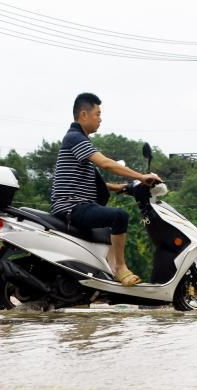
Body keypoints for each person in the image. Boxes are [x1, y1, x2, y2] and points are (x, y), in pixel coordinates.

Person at [51, 93, 161, 286]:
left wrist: (122, 187)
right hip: (72, 207)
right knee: (120, 216)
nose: (100, 119)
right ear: (83, 115)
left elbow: (93, 181)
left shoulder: (77, 140)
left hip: (77, 205)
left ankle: (105, 274)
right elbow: (105, 163)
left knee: (110, 224)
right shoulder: (75, 138)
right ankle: (119, 268)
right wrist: (141, 176)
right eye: (97, 114)